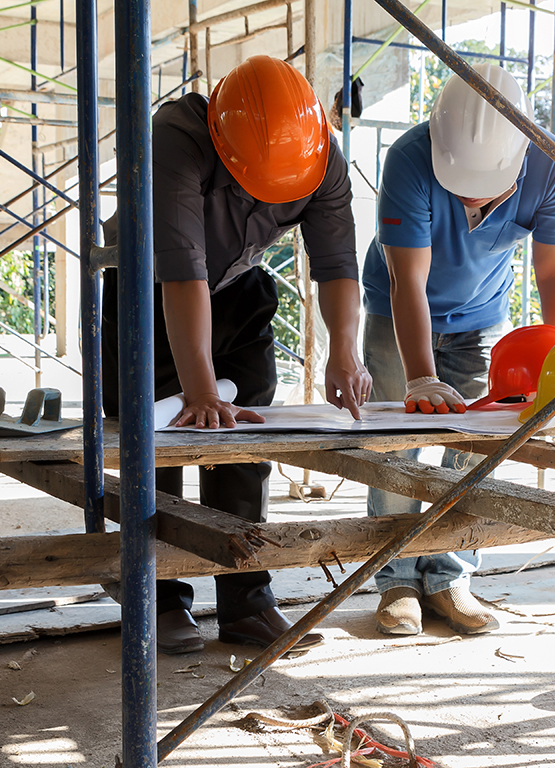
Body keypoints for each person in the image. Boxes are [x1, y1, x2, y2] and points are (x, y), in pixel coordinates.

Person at [102, 55, 372, 654]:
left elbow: (335, 268)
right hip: (147, 286)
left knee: (246, 437)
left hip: (235, 284)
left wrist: (344, 355)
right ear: (225, 144)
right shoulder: (176, 137)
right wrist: (198, 391)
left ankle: (245, 599)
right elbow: (180, 274)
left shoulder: (320, 154)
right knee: (160, 442)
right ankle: (159, 598)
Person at [361, 63, 555, 636]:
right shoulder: (410, 158)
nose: (474, 199)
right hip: (396, 312)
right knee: (394, 448)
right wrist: (420, 379)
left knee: (476, 448)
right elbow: (408, 280)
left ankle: (450, 575)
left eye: (489, 189)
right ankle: (397, 581)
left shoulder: (553, 168)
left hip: (482, 316)